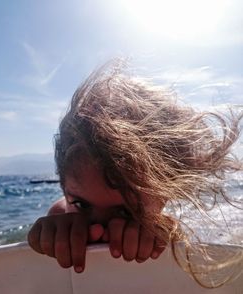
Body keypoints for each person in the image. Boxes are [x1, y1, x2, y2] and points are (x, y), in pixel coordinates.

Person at [28, 60, 242, 287]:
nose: (97, 230)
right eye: (81, 204)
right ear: (63, 186)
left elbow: (173, 241)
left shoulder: (160, 225)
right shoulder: (60, 212)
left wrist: (159, 236)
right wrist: (45, 235)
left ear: (163, 198)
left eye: (125, 210)